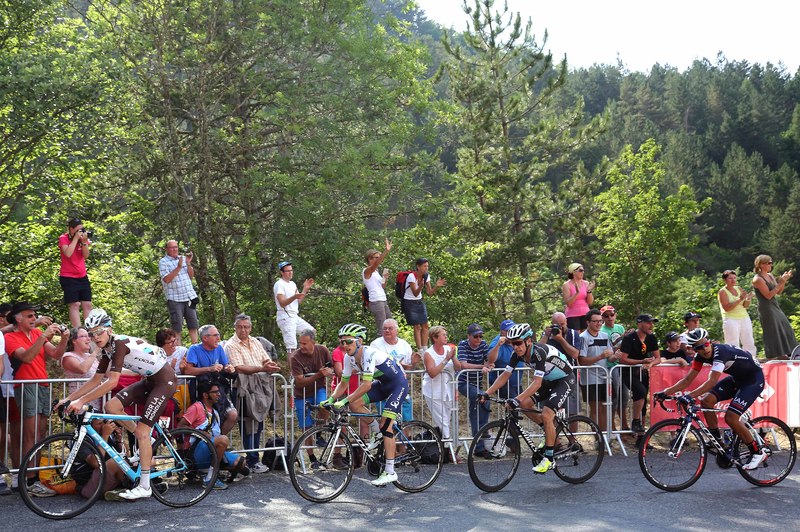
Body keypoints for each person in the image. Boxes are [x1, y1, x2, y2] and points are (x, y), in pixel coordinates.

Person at [59, 308, 177, 500]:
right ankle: (148, 441)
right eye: (91, 334)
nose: (95, 337)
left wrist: (81, 401)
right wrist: (70, 399)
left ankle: (145, 486)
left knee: (141, 431)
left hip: (164, 381)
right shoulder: (107, 349)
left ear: (109, 330)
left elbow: (112, 382)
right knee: (111, 407)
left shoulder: (119, 343)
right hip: (149, 380)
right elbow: (96, 380)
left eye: (99, 332)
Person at [655, 328, 768, 470]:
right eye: (699, 347)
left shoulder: (720, 353)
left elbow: (711, 382)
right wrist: (665, 393)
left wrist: (689, 396)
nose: (704, 349)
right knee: (706, 401)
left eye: (706, 344)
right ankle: (717, 441)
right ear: (694, 349)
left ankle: (758, 452)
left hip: (753, 380)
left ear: (709, 341)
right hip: (737, 379)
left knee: (731, 417)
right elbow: (687, 379)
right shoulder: (699, 357)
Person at [479, 323, 575, 474]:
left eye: (518, 343)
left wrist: (515, 399)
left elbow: (536, 383)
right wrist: (487, 393)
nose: (515, 347)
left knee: (546, 414)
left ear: (528, 341)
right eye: (512, 344)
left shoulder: (539, 353)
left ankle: (549, 459)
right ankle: (548, 431)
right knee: (524, 404)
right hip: (548, 381)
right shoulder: (517, 354)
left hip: (564, 380)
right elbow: (505, 375)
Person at [323, 323, 409, 487]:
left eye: (348, 341)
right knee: (356, 404)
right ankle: (377, 433)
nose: (344, 345)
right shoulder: (348, 358)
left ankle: (390, 471)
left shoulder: (368, 353)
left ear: (359, 341)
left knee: (387, 427)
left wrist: (344, 400)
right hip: (383, 384)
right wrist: (332, 399)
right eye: (342, 342)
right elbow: (343, 382)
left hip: (398, 385)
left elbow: (366, 385)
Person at [4, 302, 69, 497]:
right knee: (29, 434)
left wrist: (64, 339)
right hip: (26, 386)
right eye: (30, 316)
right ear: (18, 318)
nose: (34, 319)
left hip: (42, 385)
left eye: (34, 315)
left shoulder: (36, 334)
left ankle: (35, 478)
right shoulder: (10, 337)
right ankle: (28, 479)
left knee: (40, 433)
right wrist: (43, 335)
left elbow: (56, 354)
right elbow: (26, 358)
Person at [225, 314, 282, 472]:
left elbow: (265, 359)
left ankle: (255, 459)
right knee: (247, 424)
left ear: (250, 328)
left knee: (259, 423)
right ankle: (252, 459)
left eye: (246, 327)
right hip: (243, 389)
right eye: (240, 326)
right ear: (235, 327)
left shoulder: (256, 341)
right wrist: (263, 369)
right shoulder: (231, 345)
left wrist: (270, 365)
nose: (243, 330)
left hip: (260, 387)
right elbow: (239, 367)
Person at [179, 378, 251, 489]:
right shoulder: (196, 407)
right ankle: (210, 478)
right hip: (195, 451)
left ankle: (207, 471)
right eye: (215, 392)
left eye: (219, 392)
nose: (219, 394)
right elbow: (180, 427)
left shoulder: (214, 412)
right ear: (205, 395)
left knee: (241, 462)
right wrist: (200, 433)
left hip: (210, 448)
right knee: (222, 439)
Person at [184, 324, 238, 434]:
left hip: (219, 390)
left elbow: (226, 365)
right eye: (215, 335)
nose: (218, 338)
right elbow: (188, 371)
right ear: (205, 338)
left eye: (218, 334)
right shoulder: (194, 349)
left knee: (232, 415)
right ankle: (206, 444)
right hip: (202, 393)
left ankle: (218, 442)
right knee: (206, 420)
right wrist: (209, 369)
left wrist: (229, 369)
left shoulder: (219, 348)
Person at [290, 329, 333, 465]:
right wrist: (318, 375)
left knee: (325, 406)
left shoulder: (322, 350)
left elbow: (330, 366)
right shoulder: (295, 357)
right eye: (300, 343)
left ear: (313, 342)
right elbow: (299, 381)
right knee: (306, 426)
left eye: (304, 343)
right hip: (301, 394)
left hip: (318, 389)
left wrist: (328, 371)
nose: (301, 346)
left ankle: (319, 433)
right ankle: (312, 458)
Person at [616, 314, 661, 434]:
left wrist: (650, 364)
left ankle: (641, 437)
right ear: (640, 324)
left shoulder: (651, 337)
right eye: (649, 323)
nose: (651, 325)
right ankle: (635, 421)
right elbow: (623, 359)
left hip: (643, 372)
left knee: (642, 399)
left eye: (652, 323)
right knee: (640, 391)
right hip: (628, 372)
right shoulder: (630, 338)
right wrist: (642, 361)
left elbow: (658, 358)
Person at [370, 318, 418, 423]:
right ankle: (387, 438)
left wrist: (413, 363)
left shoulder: (404, 345)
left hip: (400, 385)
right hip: (384, 386)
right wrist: (397, 365)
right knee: (387, 422)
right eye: (385, 329)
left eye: (390, 328)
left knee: (407, 420)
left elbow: (409, 368)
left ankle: (406, 438)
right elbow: (375, 365)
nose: (387, 331)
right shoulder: (375, 345)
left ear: (396, 330)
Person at [752, 255, 797, 359]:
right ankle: (774, 356)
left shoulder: (770, 275)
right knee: (773, 332)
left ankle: (789, 352)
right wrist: (780, 282)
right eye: (769, 263)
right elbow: (768, 295)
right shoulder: (757, 279)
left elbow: (779, 292)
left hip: (774, 306)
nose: (771, 264)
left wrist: (783, 281)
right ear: (761, 265)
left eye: (771, 262)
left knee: (786, 328)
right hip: (766, 309)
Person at [422, 326, 461, 448]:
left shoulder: (448, 349)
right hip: (433, 391)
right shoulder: (429, 353)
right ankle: (449, 448)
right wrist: (446, 359)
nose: (446, 337)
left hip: (448, 390)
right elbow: (432, 373)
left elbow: (458, 368)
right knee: (442, 420)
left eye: (446, 334)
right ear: (435, 338)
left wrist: (453, 356)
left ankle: (446, 446)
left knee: (447, 419)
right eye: (443, 335)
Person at [456, 324, 492, 457]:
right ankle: (481, 438)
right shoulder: (463, 344)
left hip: (477, 383)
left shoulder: (483, 345)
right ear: (469, 336)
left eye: (480, 336)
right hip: (464, 382)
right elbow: (463, 364)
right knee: (484, 399)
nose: (479, 339)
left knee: (477, 410)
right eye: (475, 336)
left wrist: (489, 364)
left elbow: (490, 361)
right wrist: (482, 366)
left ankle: (480, 443)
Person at [540, 312, 581, 417]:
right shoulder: (547, 334)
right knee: (551, 410)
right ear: (552, 324)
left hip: (569, 375)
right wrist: (546, 335)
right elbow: (538, 351)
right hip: (550, 377)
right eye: (557, 324)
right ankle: (554, 432)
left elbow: (575, 354)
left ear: (566, 321)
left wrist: (561, 339)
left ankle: (572, 433)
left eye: (562, 324)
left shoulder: (573, 334)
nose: (560, 327)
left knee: (572, 411)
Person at [158, 240, 199, 344]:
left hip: (189, 296)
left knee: (193, 324)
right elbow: (166, 279)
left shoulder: (183, 259)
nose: (174, 249)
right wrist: (179, 267)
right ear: (166, 249)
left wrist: (188, 263)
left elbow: (191, 276)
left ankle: (196, 348)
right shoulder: (163, 262)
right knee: (177, 327)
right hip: (175, 298)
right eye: (172, 247)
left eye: (176, 247)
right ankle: (178, 351)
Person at [578, 310, 613, 432]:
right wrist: (600, 357)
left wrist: (617, 356)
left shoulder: (604, 336)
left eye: (600, 321)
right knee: (595, 409)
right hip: (589, 379)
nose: (598, 324)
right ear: (588, 322)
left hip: (604, 377)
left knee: (604, 408)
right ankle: (597, 437)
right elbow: (581, 360)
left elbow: (610, 356)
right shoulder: (583, 338)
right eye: (595, 321)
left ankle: (603, 436)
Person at [402, 258, 446, 352]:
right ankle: (420, 349)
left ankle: (425, 348)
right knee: (417, 326)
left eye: (427, 266)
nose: (426, 268)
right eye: (424, 266)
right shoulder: (411, 276)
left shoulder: (426, 276)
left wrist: (436, 286)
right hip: (409, 301)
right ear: (418, 266)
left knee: (425, 325)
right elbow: (415, 293)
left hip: (419, 301)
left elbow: (429, 292)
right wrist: (421, 286)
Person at [273, 260, 314, 358]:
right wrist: (294, 297)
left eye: (291, 270)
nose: (290, 272)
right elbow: (282, 303)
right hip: (285, 317)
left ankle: (306, 360)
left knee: (311, 332)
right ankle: (294, 373)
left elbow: (298, 301)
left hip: (294, 316)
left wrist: (305, 289)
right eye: (287, 271)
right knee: (291, 347)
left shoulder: (292, 284)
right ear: (282, 272)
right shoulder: (279, 284)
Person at [59, 218, 93, 327]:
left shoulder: (82, 239)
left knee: (87, 304)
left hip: (82, 276)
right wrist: (75, 239)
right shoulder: (63, 238)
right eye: (78, 230)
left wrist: (83, 242)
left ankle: (89, 330)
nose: (81, 232)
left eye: (82, 229)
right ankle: (78, 331)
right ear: (71, 229)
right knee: (74, 305)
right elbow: (68, 253)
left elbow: (86, 256)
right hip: (68, 277)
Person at [599, 305, 628, 430]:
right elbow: (610, 350)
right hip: (610, 367)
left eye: (612, 314)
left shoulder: (620, 327)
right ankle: (612, 427)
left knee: (625, 396)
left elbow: (625, 347)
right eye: (606, 316)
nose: (610, 317)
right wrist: (623, 338)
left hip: (623, 365)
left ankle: (625, 426)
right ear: (602, 318)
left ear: (615, 315)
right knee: (614, 398)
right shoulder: (602, 331)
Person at [61, 327, 101, 410]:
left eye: (89, 336)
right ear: (74, 340)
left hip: (97, 401)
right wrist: (95, 351)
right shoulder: (68, 356)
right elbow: (83, 369)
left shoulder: (89, 356)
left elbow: (106, 373)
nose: (88, 339)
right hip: (79, 404)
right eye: (84, 336)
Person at [717, 270, 756, 356]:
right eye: (730, 278)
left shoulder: (739, 288)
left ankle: (752, 359)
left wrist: (748, 299)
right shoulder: (722, 292)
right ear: (725, 280)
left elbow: (745, 305)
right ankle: (734, 361)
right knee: (732, 342)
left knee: (749, 340)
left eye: (734, 278)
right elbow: (727, 308)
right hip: (731, 319)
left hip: (744, 317)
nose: (733, 280)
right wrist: (740, 299)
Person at [362, 239, 393, 335]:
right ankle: (380, 347)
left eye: (378, 257)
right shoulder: (366, 271)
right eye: (376, 257)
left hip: (382, 299)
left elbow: (382, 286)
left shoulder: (375, 272)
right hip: (376, 301)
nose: (378, 259)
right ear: (369, 259)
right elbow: (376, 264)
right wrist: (386, 251)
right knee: (382, 327)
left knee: (390, 323)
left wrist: (384, 278)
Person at [486, 319, 520, 399]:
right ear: (502, 332)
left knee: (523, 404)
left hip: (515, 382)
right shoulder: (497, 342)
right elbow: (491, 360)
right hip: (501, 381)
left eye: (512, 329)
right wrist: (498, 345)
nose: (511, 332)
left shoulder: (517, 339)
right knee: (514, 403)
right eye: (508, 330)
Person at [562, 263, 595, 331]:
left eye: (583, 270)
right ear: (573, 272)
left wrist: (589, 291)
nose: (582, 272)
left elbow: (590, 302)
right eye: (580, 270)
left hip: (585, 314)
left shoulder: (586, 283)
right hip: (572, 315)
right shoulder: (567, 285)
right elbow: (568, 303)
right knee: (576, 337)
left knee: (586, 337)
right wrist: (576, 293)